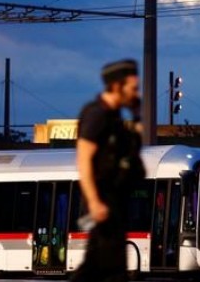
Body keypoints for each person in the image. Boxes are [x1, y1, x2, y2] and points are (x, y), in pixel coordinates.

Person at [71, 59, 145, 282]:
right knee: (113, 272)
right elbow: (83, 160)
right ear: (116, 86)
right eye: (133, 88)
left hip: (114, 203)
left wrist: (137, 117)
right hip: (103, 203)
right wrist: (94, 202)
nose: (136, 93)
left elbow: (132, 155)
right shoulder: (97, 115)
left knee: (92, 269)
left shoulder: (116, 120)